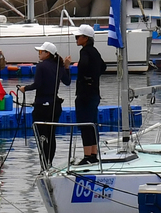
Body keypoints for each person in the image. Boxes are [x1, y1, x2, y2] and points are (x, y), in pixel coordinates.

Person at [20, 42, 70, 167]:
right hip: (55, 105)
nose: (39, 54)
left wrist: (24, 88)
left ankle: (44, 165)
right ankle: (49, 163)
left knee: (42, 136)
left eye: (40, 52)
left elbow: (38, 84)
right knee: (51, 136)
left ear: (47, 53)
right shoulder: (59, 66)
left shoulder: (41, 66)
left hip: (42, 106)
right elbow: (68, 82)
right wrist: (67, 67)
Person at [73, 24, 108, 164]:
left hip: (85, 95)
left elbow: (84, 65)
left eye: (78, 36)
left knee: (84, 124)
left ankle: (87, 156)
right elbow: (103, 66)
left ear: (85, 38)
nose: (76, 39)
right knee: (93, 123)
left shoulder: (85, 52)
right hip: (94, 93)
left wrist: (80, 71)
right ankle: (93, 154)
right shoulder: (95, 51)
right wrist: (95, 77)